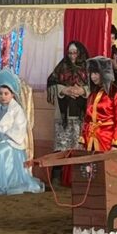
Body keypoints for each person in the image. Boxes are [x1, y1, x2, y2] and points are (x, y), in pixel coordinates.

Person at [46, 41, 89, 185]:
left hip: (82, 115)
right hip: (64, 114)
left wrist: (82, 90)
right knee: (61, 146)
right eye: (70, 53)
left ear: (80, 53)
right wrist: (64, 90)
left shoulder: (87, 68)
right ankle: (56, 178)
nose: (72, 56)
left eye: (75, 53)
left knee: (80, 148)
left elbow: (94, 85)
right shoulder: (62, 66)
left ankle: (81, 181)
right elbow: (51, 83)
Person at [79, 56, 117, 153]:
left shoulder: (116, 95)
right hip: (90, 140)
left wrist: (115, 144)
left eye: (96, 73)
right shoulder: (92, 95)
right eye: (91, 73)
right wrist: (82, 139)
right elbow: (87, 119)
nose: (93, 77)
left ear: (104, 74)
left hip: (108, 142)